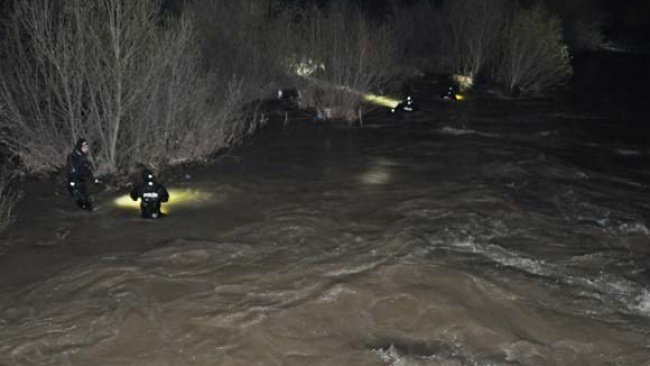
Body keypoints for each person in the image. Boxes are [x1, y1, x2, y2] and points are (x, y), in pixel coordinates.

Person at [66, 138, 98, 210]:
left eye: (87, 147)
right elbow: (71, 171)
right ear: (79, 148)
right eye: (84, 147)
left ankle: (89, 212)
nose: (86, 149)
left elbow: (87, 170)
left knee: (88, 202)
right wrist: (73, 184)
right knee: (80, 202)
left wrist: (93, 179)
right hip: (75, 183)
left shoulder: (83, 157)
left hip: (83, 181)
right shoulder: (72, 157)